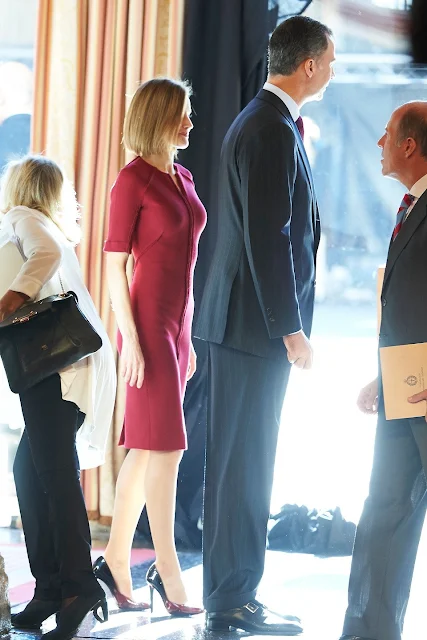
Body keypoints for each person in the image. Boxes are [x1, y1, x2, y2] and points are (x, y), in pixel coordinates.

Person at [195, 15, 335, 635]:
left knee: (238, 466)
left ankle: (233, 593)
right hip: (255, 329)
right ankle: (232, 599)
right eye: (330, 61)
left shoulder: (264, 121)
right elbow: (269, 238)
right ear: (307, 65)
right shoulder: (271, 129)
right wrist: (292, 328)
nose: (332, 71)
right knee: (244, 469)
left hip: (243, 327)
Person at [96, 78, 206, 616]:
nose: (190, 122)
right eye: (182, 114)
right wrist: (132, 343)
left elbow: (186, 265)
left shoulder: (180, 176)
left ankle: (117, 561)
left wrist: (188, 337)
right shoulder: (131, 180)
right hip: (145, 325)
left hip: (176, 325)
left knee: (146, 448)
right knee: (168, 448)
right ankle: (168, 573)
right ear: (157, 117)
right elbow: (115, 265)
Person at [0, 155, 116, 640]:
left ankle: (78, 589)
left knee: (54, 476)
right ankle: (50, 588)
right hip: (63, 368)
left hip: (54, 371)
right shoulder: (41, 223)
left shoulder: (23, 219)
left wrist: (8, 301)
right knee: (30, 470)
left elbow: (40, 257)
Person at [339, 101, 427, 640]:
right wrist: (381, 372)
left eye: (388, 133)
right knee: (384, 510)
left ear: (410, 146)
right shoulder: (411, 206)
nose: (379, 143)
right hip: (402, 384)